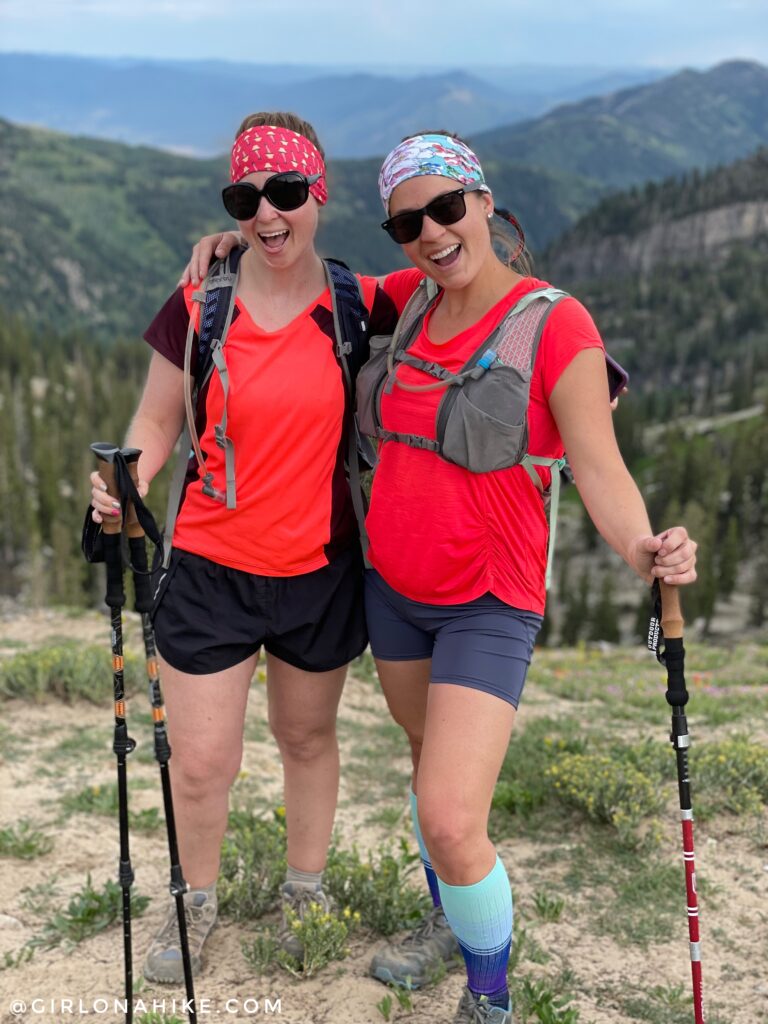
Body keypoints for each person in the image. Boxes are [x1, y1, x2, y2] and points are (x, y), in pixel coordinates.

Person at [186, 133, 697, 1023]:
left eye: (446, 209)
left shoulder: (555, 322)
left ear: (486, 203)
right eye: (407, 222)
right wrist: (233, 241)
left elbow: (600, 466)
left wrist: (649, 549)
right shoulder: (406, 300)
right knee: (429, 774)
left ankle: (491, 997)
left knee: (453, 816)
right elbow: (305, 276)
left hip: (488, 601)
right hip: (395, 595)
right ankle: (445, 918)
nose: (430, 232)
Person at [89, 111, 400, 984]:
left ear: (318, 193)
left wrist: (576, 372)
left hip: (319, 570)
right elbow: (155, 420)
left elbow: (466, 308)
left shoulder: (359, 302)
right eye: (246, 196)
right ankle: (195, 900)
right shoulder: (200, 303)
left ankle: (305, 889)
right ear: (232, 205)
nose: (269, 213)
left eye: (286, 191)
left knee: (308, 738)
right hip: (211, 568)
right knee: (202, 764)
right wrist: (126, 480)